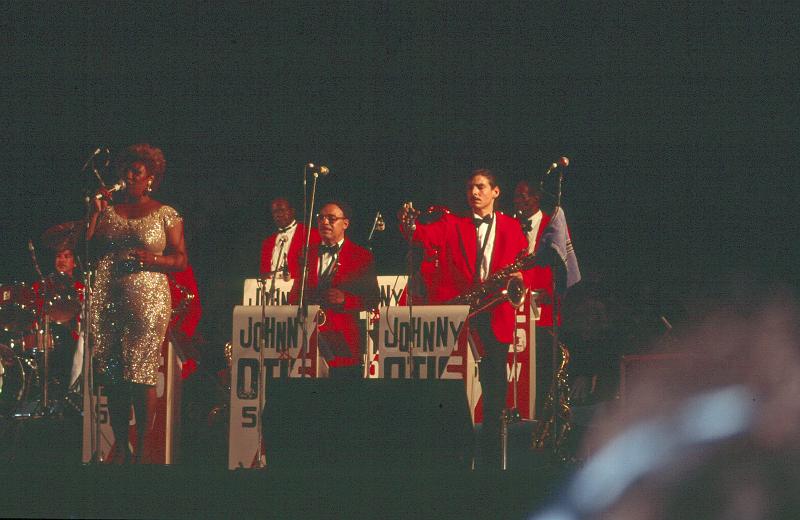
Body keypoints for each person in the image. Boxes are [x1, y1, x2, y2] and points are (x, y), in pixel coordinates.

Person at [400, 169, 533, 467]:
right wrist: (408, 223)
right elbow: (420, 235)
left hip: (495, 309)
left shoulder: (512, 227)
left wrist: (520, 276)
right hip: (461, 310)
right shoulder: (454, 223)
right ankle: (455, 450)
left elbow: (526, 262)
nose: (474, 193)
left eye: (481, 187)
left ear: (495, 192)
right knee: (452, 383)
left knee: (495, 387)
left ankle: (491, 456)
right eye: (471, 187)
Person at [87, 143, 188, 463]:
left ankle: (143, 447)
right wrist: (94, 212)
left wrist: (153, 259)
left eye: (137, 171)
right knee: (114, 375)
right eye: (127, 170)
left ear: (150, 178)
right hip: (108, 297)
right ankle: (122, 446)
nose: (130, 175)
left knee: (141, 373)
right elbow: (86, 250)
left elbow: (181, 259)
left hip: (147, 300)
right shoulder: (108, 212)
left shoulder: (165, 213)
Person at [288, 200, 379, 378]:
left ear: (345, 223)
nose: (324, 222)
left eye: (331, 218)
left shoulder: (361, 256)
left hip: (344, 345)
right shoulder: (306, 253)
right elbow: (294, 295)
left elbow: (373, 299)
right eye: (321, 218)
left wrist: (346, 299)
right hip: (308, 342)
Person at [513, 179, 556, 417]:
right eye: (516, 198)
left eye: (523, 197)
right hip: (516, 311)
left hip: (544, 311)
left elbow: (563, 266)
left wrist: (549, 293)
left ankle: (541, 423)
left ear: (536, 198)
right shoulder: (510, 225)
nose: (518, 202)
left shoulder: (553, 224)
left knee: (542, 373)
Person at [259, 197, 319, 280]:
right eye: (275, 211)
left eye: (282, 210)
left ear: (292, 211)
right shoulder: (267, 242)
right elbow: (263, 272)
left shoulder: (310, 233)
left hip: (298, 289)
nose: (278, 215)